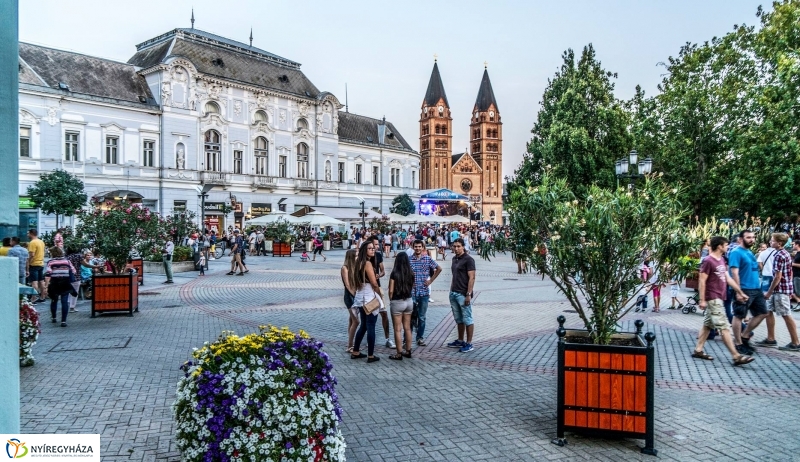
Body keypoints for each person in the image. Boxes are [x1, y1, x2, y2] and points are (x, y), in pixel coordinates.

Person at [691, 236, 754, 366]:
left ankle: (698, 350)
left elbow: (728, 279)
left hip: (720, 296)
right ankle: (736, 356)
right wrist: (702, 299)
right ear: (719, 246)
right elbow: (702, 281)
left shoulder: (722, 260)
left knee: (708, 324)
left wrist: (740, 292)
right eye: (726, 245)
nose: (727, 247)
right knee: (724, 327)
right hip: (713, 297)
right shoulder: (708, 261)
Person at [729, 230, 769, 355]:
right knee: (739, 315)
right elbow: (734, 273)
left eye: (753, 237)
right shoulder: (736, 252)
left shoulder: (749, 252)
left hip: (755, 288)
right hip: (744, 288)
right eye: (748, 237)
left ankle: (745, 337)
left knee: (763, 313)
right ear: (741, 239)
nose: (751, 239)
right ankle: (738, 343)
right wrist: (738, 291)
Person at [758, 233, 800, 350]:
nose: (771, 242)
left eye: (772, 241)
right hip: (782, 289)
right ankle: (770, 338)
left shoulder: (779, 255)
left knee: (786, 314)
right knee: (768, 310)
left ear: (779, 243)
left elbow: (777, 276)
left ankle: (795, 342)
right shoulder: (784, 254)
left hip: (780, 290)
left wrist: (769, 292)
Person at [349, 241, 383, 363]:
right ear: (364, 250)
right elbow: (374, 283)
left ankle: (356, 351)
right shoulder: (367, 263)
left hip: (360, 297)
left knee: (363, 326)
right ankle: (371, 355)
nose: (373, 250)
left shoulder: (358, 262)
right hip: (368, 297)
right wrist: (379, 293)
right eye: (370, 248)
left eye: (373, 248)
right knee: (371, 326)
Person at [410, 239, 442, 347]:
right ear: (412, 247)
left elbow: (439, 268)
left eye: (419, 246)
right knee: (410, 317)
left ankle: (420, 338)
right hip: (413, 293)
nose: (418, 248)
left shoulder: (427, 259)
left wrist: (430, 280)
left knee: (422, 317)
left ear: (423, 247)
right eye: (416, 246)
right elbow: (404, 273)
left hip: (423, 292)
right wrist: (409, 283)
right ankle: (407, 338)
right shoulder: (409, 260)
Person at [447, 238, 477, 352]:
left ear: (463, 247)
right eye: (454, 246)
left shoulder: (469, 260)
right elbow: (454, 276)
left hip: (463, 294)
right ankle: (460, 340)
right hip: (454, 292)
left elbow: (472, 277)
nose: (456, 248)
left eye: (458, 246)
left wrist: (468, 294)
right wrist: (451, 291)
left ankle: (469, 343)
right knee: (458, 319)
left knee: (467, 319)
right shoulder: (454, 259)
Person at [388, 252, 414, 360]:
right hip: (409, 301)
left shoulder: (394, 273)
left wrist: (391, 300)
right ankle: (408, 350)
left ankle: (399, 353)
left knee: (397, 329)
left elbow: (391, 290)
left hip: (397, 301)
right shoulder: (411, 273)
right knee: (407, 328)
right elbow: (412, 287)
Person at [45, 246, 78, 327]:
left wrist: (46, 286)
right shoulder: (67, 261)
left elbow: (48, 274)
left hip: (54, 282)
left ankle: (54, 317)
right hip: (65, 282)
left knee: (54, 300)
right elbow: (74, 271)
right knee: (64, 301)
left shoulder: (50, 262)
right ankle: (63, 321)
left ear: (53, 253)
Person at [341, 249, 359, 352]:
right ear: (351, 257)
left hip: (356, 296)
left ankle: (350, 343)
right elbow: (347, 285)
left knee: (352, 320)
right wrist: (354, 294)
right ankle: (350, 345)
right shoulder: (345, 268)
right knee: (356, 321)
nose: (357, 258)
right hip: (350, 296)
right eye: (356, 256)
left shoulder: (355, 267)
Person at [27, 229, 46, 303]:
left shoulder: (32, 242)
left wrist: (28, 262)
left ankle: (34, 297)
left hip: (34, 263)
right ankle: (42, 296)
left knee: (34, 282)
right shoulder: (41, 241)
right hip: (41, 263)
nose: (27, 235)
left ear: (31, 233)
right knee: (41, 281)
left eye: (28, 233)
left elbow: (32, 254)